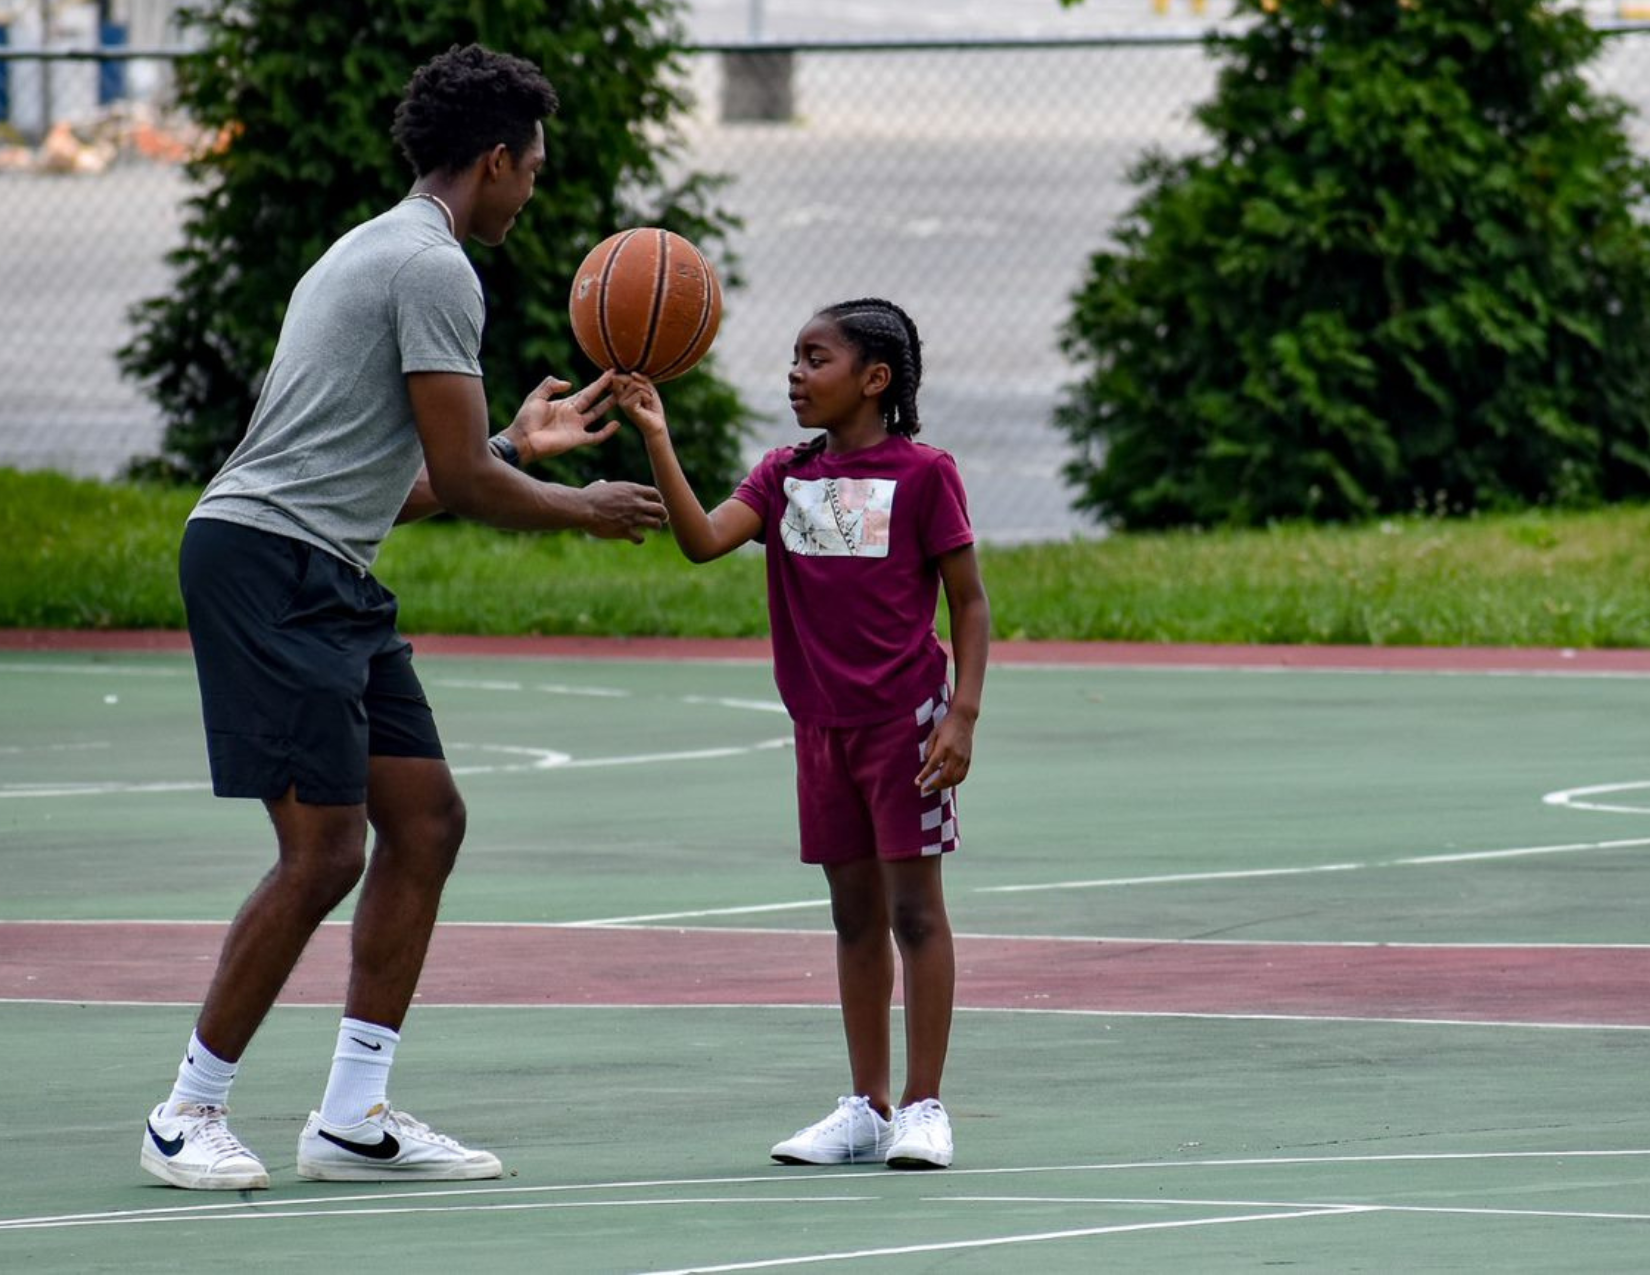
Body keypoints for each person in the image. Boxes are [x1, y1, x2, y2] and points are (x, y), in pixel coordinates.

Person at [139, 44, 668, 1191]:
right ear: (494, 159)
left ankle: (351, 1115)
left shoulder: (379, 247)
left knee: (425, 825)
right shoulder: (432, 268)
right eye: (531, 168)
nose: (533, 190)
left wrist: (520, 446)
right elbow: (464, 489)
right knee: (325, 851)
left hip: (323, 563)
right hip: (266, 566)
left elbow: (414, 478)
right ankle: (187, 1109)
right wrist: (577, 505)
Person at [613, 298, 990, 1170]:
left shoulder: (926, 474)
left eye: (814, 358)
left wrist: (963, 714)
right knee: (853, 916)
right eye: (792, 357)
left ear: (874, 379)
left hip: (908, 725)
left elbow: (968, 602)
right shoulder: (784, 474)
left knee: (915, 914)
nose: (794, 373)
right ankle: (865, 1105)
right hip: (820, 728)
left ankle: (926, 1107)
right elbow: (703, 541)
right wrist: (657, 436)